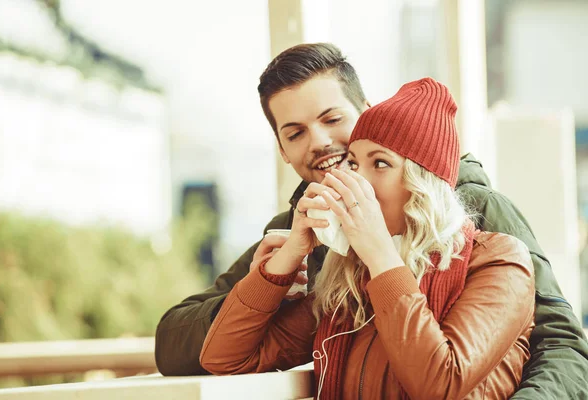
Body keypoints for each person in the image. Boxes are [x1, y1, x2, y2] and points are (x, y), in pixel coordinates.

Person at [155, 43, 588, 398]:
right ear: (283, 150)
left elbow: (561, 347)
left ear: (367, 113)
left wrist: (380, 253)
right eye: (295, 132)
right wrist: (269, 283)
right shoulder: (307, 234)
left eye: (332, 119)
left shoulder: (480, 221)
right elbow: (182, 345)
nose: (321, 143)